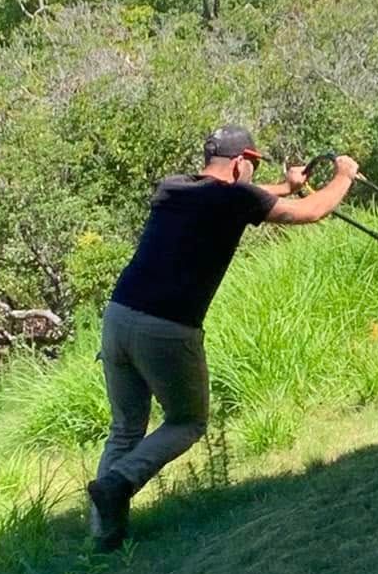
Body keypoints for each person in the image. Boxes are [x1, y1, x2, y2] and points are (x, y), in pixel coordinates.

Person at [85, 127, 359, 549]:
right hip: (167, 327)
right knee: (187, 421)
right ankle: (120, 482)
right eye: (254, 165)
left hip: (118, 318)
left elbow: (241, 197)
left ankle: (102, 537)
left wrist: (285, 185)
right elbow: (312, 212)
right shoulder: (234, 198)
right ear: (240, 162)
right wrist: (342, 176)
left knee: (125, 428)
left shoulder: (174, 187)